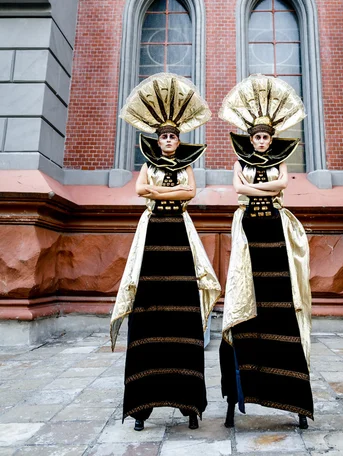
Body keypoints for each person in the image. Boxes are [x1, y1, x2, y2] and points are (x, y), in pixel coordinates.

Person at [110, 73, 221, 431]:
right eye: (164, 137)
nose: (169, 141)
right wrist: (162, 194)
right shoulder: (148, 163)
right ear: (157, 142)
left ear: (178, 140)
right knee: (149, 308)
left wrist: (160, 195)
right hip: (153, 236)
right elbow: (141, 188)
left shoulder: (186, 164)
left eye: (173, 136)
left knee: (182, 308)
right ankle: (143, 404)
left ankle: (188, 402)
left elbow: (189, 193)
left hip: (179, 236)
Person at [219, 74, 314, 429]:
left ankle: (292, 396)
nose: (261, 141)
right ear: (251, 138)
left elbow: (282, 184)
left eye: (266, 137)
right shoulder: (239, 162)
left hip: (274, 233)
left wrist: (256, 189)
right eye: (257, 136)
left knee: (279, 300)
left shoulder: (278, 162)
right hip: (249, 234)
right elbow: (237, 188)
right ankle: (241, 393)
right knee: (249, 298)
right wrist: (264, 190)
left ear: (271, 139)